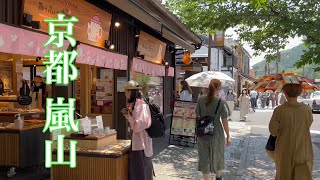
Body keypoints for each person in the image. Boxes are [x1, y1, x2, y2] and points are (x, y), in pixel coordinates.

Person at [269, 83, 313, 180]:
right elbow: (308, 125)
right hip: (303, 148)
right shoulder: (307, 109)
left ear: (285, 93)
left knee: (284, 175)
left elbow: (273, 131)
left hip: (284, 149)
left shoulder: (279, 110)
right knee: (303, 176)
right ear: (299, 93)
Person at [196, 79, 231, 180]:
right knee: (218, 154)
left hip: (203, 132)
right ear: (219, 88)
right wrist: (228, 135)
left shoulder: (200, 99)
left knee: (204, 157)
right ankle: (218, 177)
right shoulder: (221, 102)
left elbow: (197, 113)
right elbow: (225, 120)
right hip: (217, 132)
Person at [122, 80, 154, 180]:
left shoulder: (140, 104)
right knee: (140, 170)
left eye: (126, 91)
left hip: (141, 143)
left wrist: (129, 117)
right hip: (140, 142)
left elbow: (139, 125)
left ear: (131, 91)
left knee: (140, 171)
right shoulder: (137, 103)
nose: (125, 93)